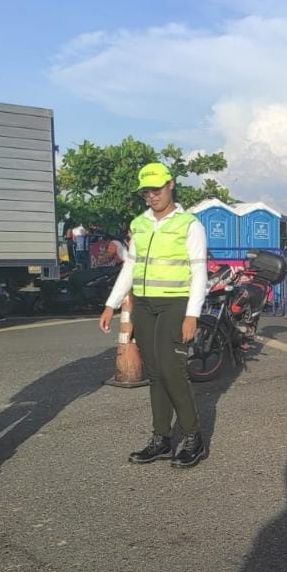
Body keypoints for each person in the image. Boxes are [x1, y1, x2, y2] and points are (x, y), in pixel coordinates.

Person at [100, 162, 210, 468]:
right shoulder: (140, 224)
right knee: (156, 372)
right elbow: (130, 267)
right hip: (145, 306)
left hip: (176, 303)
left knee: (173, 370)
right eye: (147, 191)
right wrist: (112, 303)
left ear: (171, 185)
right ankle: (161, 438)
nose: (152, 196)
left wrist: (192, 315)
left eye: (157, 189)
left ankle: (193, 437)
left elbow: (199, 271)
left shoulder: (189, 224)